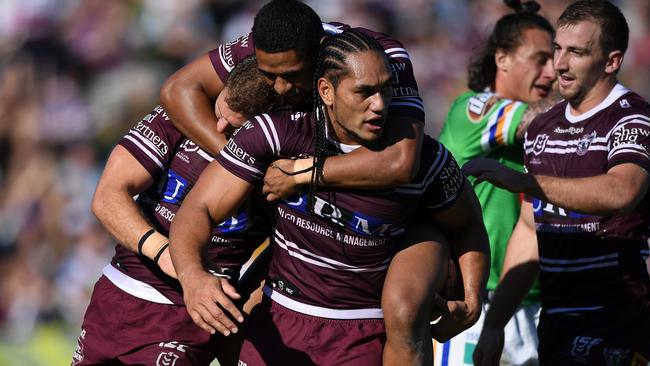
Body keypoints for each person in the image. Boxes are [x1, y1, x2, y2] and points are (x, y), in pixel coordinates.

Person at [161, 1, 485, 363]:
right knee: (243, 306)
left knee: (405, 309)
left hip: (362, 318)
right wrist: (244, 163)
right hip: (288, 302)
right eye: (271, 76)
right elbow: (179, 92)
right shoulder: (275, 120)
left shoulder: (391, 70)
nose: (281, 88)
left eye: (382, 91)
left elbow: (403, 164)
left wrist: (299, 172)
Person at [464, 1, 650, 364]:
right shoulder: (543, 128)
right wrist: (495, 324)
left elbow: (622, 191)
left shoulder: (632, 119)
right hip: (555, 322)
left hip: (619, 322)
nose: (559, 65)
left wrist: (526, 182)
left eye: (576, 53)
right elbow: (531, 231)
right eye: (557, 50)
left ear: (612, 61)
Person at [71, 57, 278, 366]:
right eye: (221, 110)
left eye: (234, 126)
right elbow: (107, 197)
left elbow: (289, 245)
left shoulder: (281, 165)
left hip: (188, 316)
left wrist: (241, 296)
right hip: (116, 294)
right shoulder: (180, 116)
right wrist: (174, 260)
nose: (218, 127)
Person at [434, 1, 556, 364]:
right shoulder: (473, 109)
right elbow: (541, 121)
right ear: (502, 58)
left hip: (537, 304)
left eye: (557, 60)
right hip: (477, 304)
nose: (553, 72)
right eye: (540, 59)